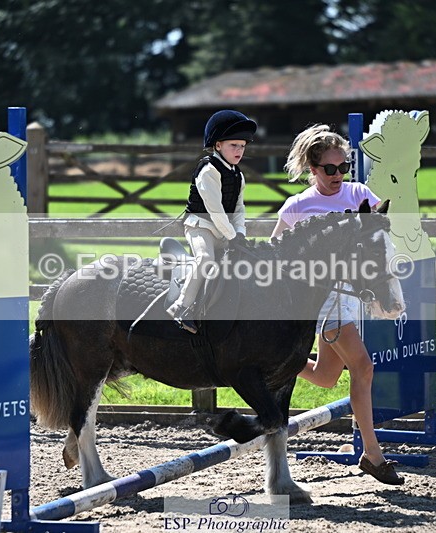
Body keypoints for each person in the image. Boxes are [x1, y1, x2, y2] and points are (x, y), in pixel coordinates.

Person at [270, 124, 404, 485]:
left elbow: (380, 229)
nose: (338, 175)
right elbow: (276, 252)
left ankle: (275, 356)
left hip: (349, 296)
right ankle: (373, 455)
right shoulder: (297, 206)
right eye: (330, 169)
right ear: (313, 170)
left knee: (327, 378)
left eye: (343, 167)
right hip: (319, 300)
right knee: (362, 366)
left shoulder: (359, 193)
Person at [166, 110, 257, 334]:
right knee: (206, 259)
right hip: (200, 226)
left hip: (224, 231)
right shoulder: (208, 170)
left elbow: (238, 208)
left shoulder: (239, 175)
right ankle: (182, 307)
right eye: (233, 145)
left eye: (242, 146)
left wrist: (241, 232)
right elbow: (215, 211)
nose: (239, 151)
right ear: (218, 145)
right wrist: (233, 235)